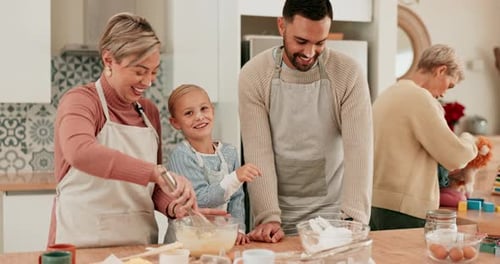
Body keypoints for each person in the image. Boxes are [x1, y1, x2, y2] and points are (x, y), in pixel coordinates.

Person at [49, 12, 199, 247]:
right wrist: (154, 172)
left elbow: (150, 188)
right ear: (109, 60)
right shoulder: (81, 101)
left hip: (139, 248)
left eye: (154, 72)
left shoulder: (149, 112)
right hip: (82, 247)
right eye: (140, 71)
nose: (148, 82)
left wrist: (174, 205)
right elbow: (80, 151)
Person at [239, 0, 373, 242]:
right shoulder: (254, 75)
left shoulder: (348, 73)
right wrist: (268, 216)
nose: (310, 53)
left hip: (333, 215)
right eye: (301, 41)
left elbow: (359, 149)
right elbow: (259, 152)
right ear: (282, 26)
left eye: (320, 42)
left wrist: (354, 218)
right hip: (277, 214)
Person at [370, 44, 478, 230]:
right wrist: (470, 139)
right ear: (441, 70)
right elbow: (456, 157)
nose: (444, 93)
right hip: (405, 211)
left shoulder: (388, 94)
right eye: (449, 85)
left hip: (375, 204)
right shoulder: (421, 99)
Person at [167, 84, 262, 245]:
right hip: (186, 241)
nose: (199, 117)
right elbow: (199, 200)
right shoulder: (181, 156)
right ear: (175, 122)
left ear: (212, 110)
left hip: (219, 239)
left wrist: (237, 229)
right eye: (189, 113)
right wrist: (235, 177)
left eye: (204, 109)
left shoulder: (229, 153)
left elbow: (237, 199)